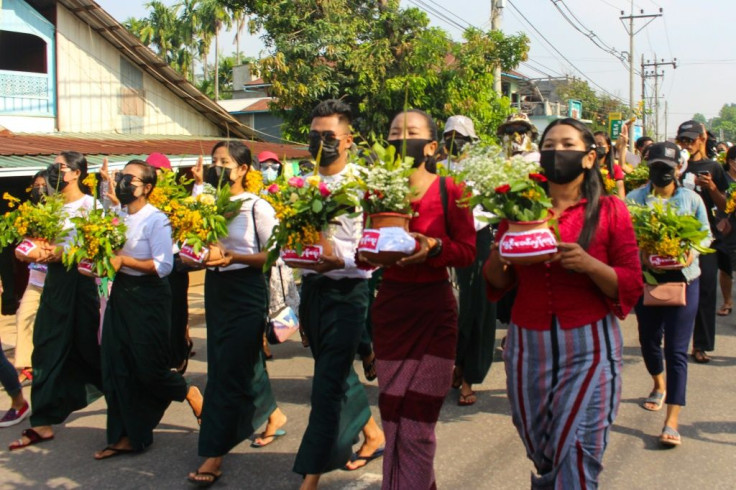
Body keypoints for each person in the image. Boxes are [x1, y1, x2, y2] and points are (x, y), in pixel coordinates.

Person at [484, 118, 642, 488]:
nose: (557, 152)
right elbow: (499, 281)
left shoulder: (609, 210)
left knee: (579, 447)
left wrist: (589, 265)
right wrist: (497, 256)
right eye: (549, 145)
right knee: (541, 445)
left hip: (590, 344)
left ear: (588, 158)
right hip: (528, 343)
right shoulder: (521, 206)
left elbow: (632, 281)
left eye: (567, 144)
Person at [371, 109, 476, 489]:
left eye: (411, 132)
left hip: (435, 313)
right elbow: (363, 252)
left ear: (431, 145)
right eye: (394, 132)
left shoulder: (453, 191)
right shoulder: (376, 193)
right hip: (391, 313)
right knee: (394, 416)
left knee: (418, 424)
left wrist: (433, 247)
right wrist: (369, 255)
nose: (401, 138)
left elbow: (467, 251)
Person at [293, 100, 384, 490]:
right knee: (333, 372)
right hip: (312, 290)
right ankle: (374, 434)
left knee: (325, 385)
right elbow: (291, 242)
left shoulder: (365, 183)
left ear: (348, 140)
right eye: (315, 136)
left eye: (329, 136)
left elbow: (374, 252)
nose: (322, 143)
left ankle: (310, 475)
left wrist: (339, 256)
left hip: (350, 292)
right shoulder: (301, 184)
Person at [186, 141, 287, 486]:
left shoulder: (257, 206)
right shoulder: (206, 203)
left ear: (243, 169)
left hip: (247, 290)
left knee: (226, 373)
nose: (218, 167)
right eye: (214, 162)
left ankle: (214, 453)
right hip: (217, 291)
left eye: (224, 162)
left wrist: (235, 258)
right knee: (236, 362)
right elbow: (195, 244)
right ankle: (274, 415)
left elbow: (273, 254)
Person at [94, 160, 203, 460]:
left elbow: (164, 265)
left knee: (147, 367)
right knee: (116, 365)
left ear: (148, 188)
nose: (123, 183)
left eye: (131, 179)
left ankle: (187, 392)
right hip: (122, 296)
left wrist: (124, 262)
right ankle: (127, 436)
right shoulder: (117, 215)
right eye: (122, 178)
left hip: (150, 297)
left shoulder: (157, 220)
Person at [9, 152, 104, 450]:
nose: (55, 172)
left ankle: (136, 394)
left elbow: (96, 247)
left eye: (60, 167)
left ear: (76, 173)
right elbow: (33, 242)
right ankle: (42, 422)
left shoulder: (92, 206)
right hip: (53, 284)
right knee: (46, 348)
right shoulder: (47, 206)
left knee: (89, 351)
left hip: (82, 284)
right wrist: (27, 251)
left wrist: (60, 253)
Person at [627, 141, 712, 447]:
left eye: (667, 168)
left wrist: (689, 255)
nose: (661, 173)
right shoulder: (634, 199)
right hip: (647, 281)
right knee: (649, 340)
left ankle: (672, 420)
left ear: (679, 168)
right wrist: (642, 254)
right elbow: (625, 239)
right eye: (656, 167)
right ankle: (658, 384)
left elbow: (705, 234)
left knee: (676, 350)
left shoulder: (691, 200)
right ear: (648, 168)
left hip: (685, 281)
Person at [441, 115, 497, 407]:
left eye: (460, 138)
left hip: (477, 239)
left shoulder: (484, 170)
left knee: (477, 308)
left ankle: (468, 376)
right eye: (449, 137)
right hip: (444, 242)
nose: (454, 143)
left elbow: (496, 207)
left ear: (472, 142)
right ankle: (456, 364)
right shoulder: (437, 169)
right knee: (451, 310)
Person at [677, 120, 728, 363]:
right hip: (677, 237)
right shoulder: (677, 165)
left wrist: (712, 187)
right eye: (683, 140)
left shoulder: (714, 167)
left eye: (691, 139)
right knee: (678, 292)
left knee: (706, 291)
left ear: (702, 138)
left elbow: (725, 205)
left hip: (706, 239)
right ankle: (676, 341)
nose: (687, 144)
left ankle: (701, 345)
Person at [145, 152, 195, 373]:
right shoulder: (142, 202)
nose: (155, 176)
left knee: (176, 311)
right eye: (151, 171)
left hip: (173, 263)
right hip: (149, 264)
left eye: (159, 172)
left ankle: (178, 355)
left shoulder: (177, 201)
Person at [14, 170, 49, 387]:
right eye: (36, 185)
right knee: (23, 315)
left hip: (56, 280)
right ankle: (27, 366)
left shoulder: (61, 213)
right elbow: (23, 246)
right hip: (36, 279)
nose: (39, 190)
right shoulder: (30, 215)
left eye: (43, 185)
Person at [715, 145, 736, 316]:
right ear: (729, 161)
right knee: (726, 265)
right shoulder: (723, 179)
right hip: (728, 226)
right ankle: (727, 301)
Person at [594, 131, 626, 199]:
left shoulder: (615, 169)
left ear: (608, 148)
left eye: (600, 144)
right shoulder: (585, 168)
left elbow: (621, 197)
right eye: (594, 144)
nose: (596, 147)